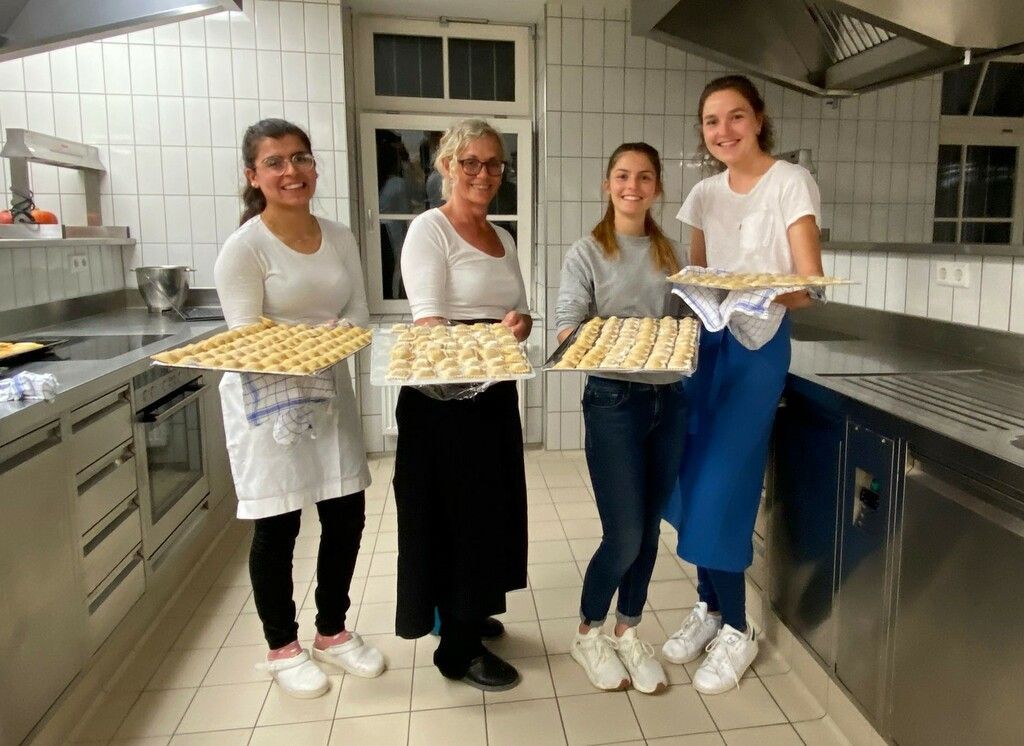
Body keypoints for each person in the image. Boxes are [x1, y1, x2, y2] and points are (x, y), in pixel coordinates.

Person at [661, 76, 823, 694]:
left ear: (758, 119)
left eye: (734, 117)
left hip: (757, 351)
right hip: (707, 345)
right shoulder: (703, 194)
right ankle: (708, 606)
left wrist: (748, 290)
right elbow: (700, 273)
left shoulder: (790, 183)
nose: (723, 131)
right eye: (710, 121)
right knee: (689, 476)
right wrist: (699, 294)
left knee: (725, 486)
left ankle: (738, 627)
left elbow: (807, 285)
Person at [214, 118, 385, 699]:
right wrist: (311, 344)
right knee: (280, 521)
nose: (292, 171)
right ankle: (281, 647)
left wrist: (338, 338)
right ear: (253, 175)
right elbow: (246, 339)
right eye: (276, 162)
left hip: (330, 389)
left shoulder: (338, 236)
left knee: (346, 512)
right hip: (269, 404)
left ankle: (332, 632)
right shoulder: (244, 249)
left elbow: (361, 313)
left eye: (302, 158)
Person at [393, 118, 531, 692]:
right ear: (446, 165)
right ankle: (457, 649)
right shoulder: (431, 230)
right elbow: (427, 322)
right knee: (456, 517)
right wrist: (484, 340)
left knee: (491, 510)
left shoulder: (504, 237)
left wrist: (519, 326)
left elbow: (517, 312)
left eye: (493, 163)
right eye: (469, 162)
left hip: (492, 394)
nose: (482, 173)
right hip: (442, 402)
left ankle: (470, 607)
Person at [556, 143, 689, 695]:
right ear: (607, 184)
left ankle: (628, 629)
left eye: (643, 177)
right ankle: (588, 630)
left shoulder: (669, 252)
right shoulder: (587, 252)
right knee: (625, 532)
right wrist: (620, 340)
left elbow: (683, 324)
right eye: (621, 176)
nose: (632, 186)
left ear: (656, 187)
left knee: (651, 527)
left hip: (669, 400)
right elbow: (567, 330)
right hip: (613, 401)